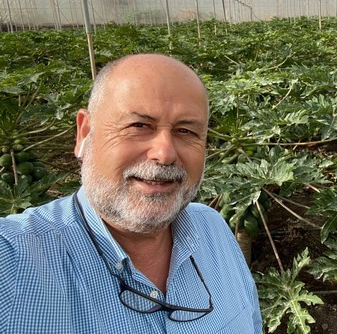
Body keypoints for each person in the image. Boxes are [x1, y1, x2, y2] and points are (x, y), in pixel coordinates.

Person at [0, 54, 262, 333]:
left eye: (185, 131)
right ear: (84, 133)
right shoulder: (12, 261)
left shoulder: (214, 229)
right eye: (139, 126)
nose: (164, 154)